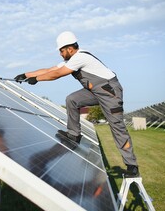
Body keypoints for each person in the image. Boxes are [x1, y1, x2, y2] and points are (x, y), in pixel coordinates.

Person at [14, 31, 139, 177]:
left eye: (61, 50)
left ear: (69, 49)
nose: (60, 54)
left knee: (117, 127)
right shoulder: (71, 60)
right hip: (95, 91)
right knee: (72, 99)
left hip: (110, 93)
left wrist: (38, 79)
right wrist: (26, 74)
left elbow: (57, 74)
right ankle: (74, 135)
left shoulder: (80, 57)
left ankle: (132, 166)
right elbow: (51, 69)